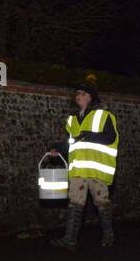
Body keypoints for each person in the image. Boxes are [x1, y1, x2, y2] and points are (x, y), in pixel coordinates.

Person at [48, 78, 118, 249]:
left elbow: (110, 137)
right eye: (77, 93)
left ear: (90, 97)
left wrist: (88, 134)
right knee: (75, 203)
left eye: (82, 93)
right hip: (79, 169)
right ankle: (70, 240)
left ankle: (109, 236)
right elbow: (73, 142)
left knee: (101, 203)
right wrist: (57, 148)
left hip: (97, 170)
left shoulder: (104, 115)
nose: (78, 96)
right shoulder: (72, 120)